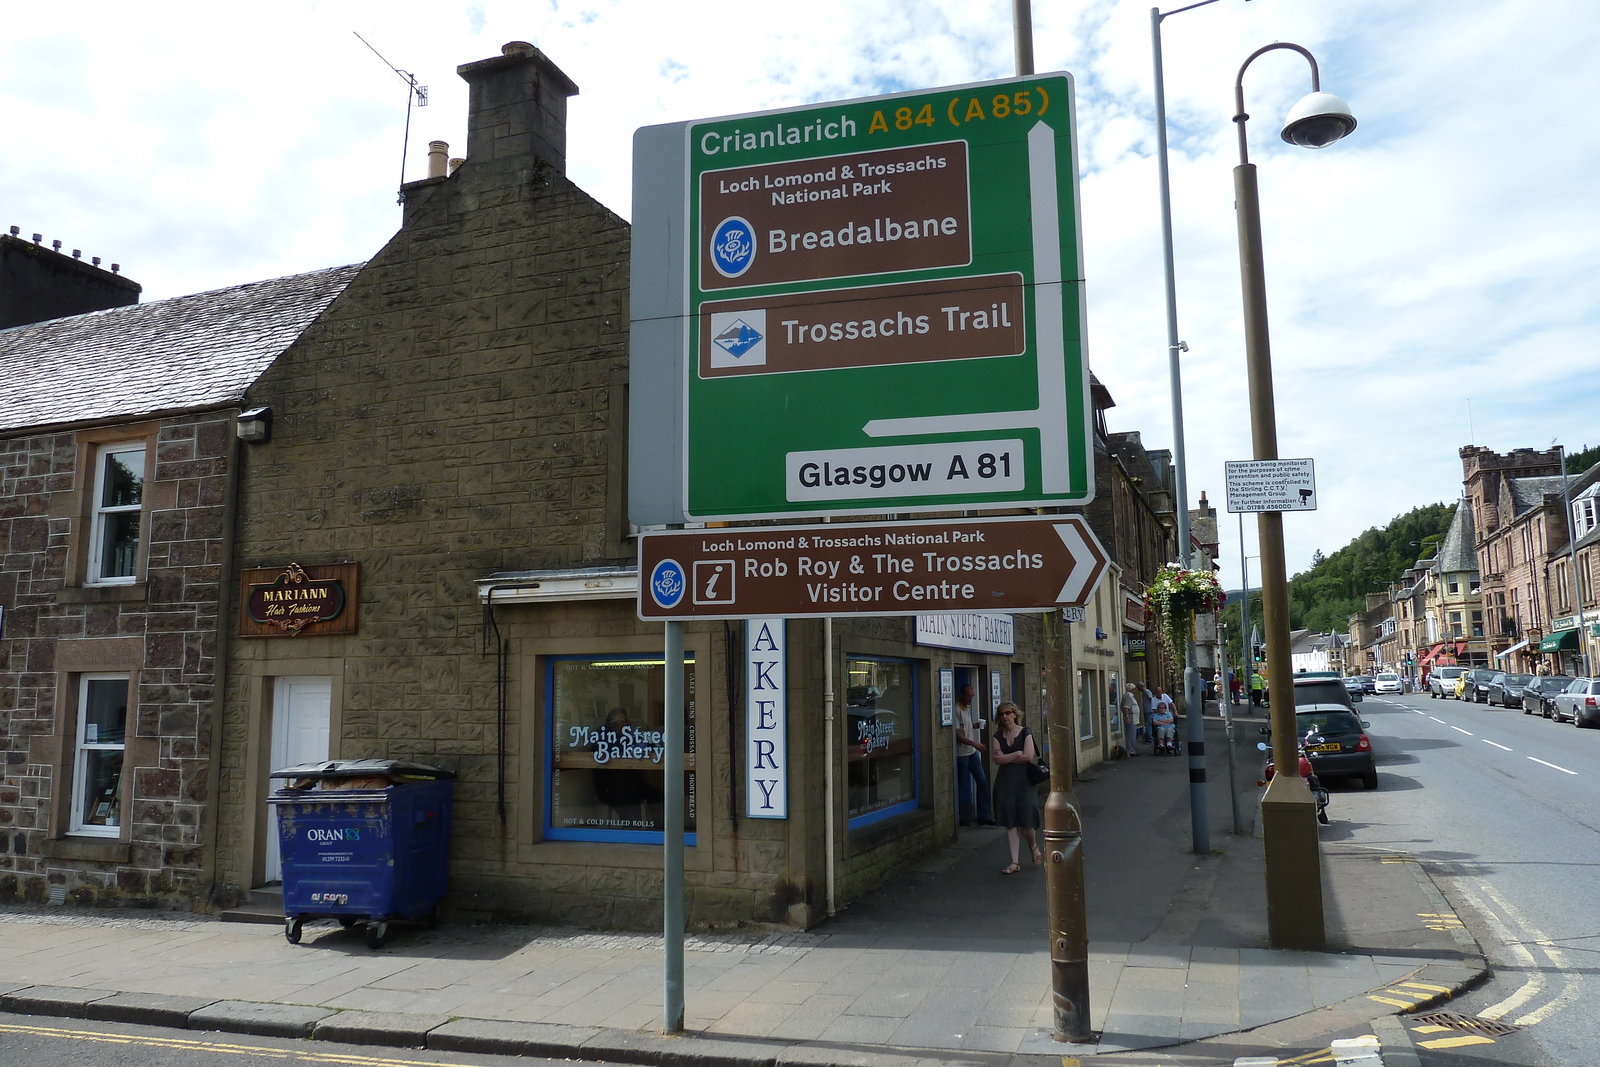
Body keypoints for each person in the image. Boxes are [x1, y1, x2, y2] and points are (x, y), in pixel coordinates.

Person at [989, 702, 1041, 873]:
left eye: (1008, 713)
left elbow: (1028, 756)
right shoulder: (997, 736)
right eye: (1002, 714)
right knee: (1010, 822)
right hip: (1005, 783)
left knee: (1026, 822)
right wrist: (1016, 754)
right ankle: (1014, 863)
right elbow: (997, 760)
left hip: (1025, 782)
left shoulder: (1025, 732)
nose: (1005, 716)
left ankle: (1033, 845)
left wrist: (1007, 756)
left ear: (1015, 714)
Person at [953, 684, 994, 826]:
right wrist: (975, 744)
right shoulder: (956, 709)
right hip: (961, 754)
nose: (971, 699)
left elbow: (966, 727)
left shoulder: (967, 708)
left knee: (982, 782)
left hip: (971, 753)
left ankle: (984, 815)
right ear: (961, 694)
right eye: (968, 696)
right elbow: (958, 735)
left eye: (972, 696)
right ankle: (963, 817)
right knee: (962, 786)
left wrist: (976, 725)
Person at [1148, 689, 1177, 754]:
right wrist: (1166, 722)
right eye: (1160, 708)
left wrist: (1161, 721)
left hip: (1169, 727)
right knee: (1161, 729)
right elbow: (1155, 722)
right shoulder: (1156, 715)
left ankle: (1169, 743)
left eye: (1163, 708)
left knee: (1169, 729)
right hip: (1161, 727)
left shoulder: (1168, 713)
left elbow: (1171, 720)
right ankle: (1161, 744)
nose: (1162, 709)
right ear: (1158, 709)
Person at [1119, 683, 1142, 757]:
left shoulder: (1127, 695)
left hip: (1133, 718)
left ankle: (1131, 749)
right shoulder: (1129, 697)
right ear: (1133, 690)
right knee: (1131, 735)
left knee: (1131, 734)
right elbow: (1126, 707)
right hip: (1131, 718)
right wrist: (1127, 717)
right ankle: (1131, 750)